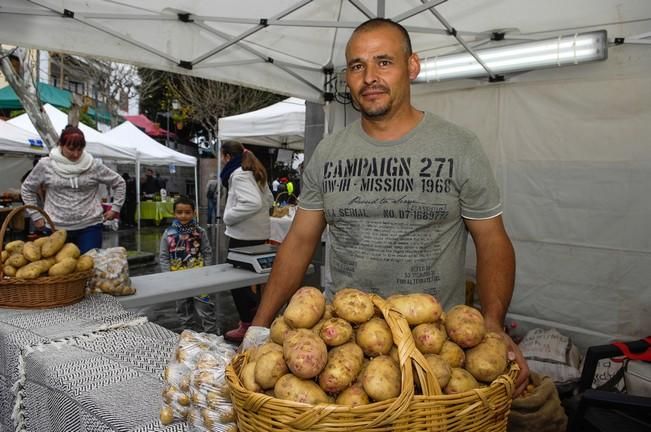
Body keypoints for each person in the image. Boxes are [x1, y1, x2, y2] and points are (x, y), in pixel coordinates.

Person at [242, 18, 529, 395]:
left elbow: (492, 240)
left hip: (433, 347)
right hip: (346, 347)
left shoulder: (459, 148)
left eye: (384, 62)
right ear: (347, 78)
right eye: (358, 66)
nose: (370, 77)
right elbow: (298, 243)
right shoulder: (328, 153)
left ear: (412, 66)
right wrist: (259, 328)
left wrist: (492, 325)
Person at [21, 125, 125, 253]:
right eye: (71, 149)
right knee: (59, 270)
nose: (76, 154)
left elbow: (119, 182)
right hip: (55, 228)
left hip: (89, 226)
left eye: (80, 149)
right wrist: (35, 215)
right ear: (61, 145)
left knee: (89, 266)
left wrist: (115, 209)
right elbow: (27, 188)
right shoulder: (45, 164)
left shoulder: (93, 165)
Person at [220, 142, 274, 342]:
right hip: (257, 233)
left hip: (243, 236)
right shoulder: (255, 171)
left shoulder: (239, 174)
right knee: (252, 282)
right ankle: (257, 322)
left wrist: (228, 216)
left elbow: (254, 202)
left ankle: (247, 324)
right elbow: (269, 200)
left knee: (238, 284)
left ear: (226, 156)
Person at [159, 196, 215, 332]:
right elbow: (164, 256)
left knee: (205, 309)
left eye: (187, 212)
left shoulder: (200, 232)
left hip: (199, 279)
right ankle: (188, 337)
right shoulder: (169, 234)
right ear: (174, 213)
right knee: (183, 311)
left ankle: (212, 336)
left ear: (194, 213)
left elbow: (207, 252)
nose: (183, 215)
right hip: (178, 280)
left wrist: (206, 272)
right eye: (179, 212)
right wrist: (167, 276)